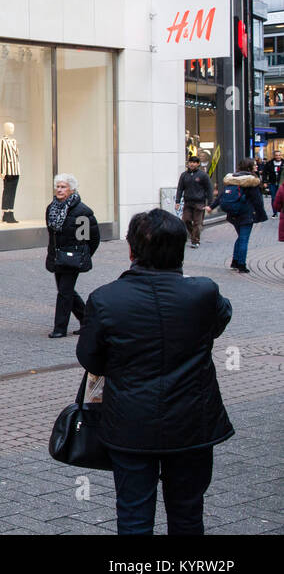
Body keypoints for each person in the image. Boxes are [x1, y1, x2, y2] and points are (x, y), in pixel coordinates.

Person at [77, 209, 233, 535]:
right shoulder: (204, 293)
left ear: (132, 251)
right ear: (180, 250)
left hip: (130, 422)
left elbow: (91, 359)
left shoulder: (105, 299)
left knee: (133, 516)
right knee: (188, 514)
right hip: (192, 422)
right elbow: (218, 322)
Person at [44, 173, 101, 338]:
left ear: (71, 190)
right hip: (57, 256)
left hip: (72, 258)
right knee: (66, 291)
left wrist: (84, 255)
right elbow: (52, 235)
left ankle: (60, 328)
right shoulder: (52, 208)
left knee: (64, 292)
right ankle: (87, 322)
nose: (60, 190)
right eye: (58, 186)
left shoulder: (81, 211)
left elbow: (90, 239)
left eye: (63, 187)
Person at [210, 158, 268, 273]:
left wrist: (212, 206)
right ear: (249, 167)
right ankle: (241, 265)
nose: (256, 167)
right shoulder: (251, 181)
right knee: (243, 239)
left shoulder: (232, 178)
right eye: (254, 165)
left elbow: (221, 195)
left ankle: (235, 261)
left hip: (233, 214)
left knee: (240, 237)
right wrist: (262, 215)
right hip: (246, 214)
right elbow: (257, 201)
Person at [174, 156, 213, 248]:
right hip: (188, 202)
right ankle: (193, 235)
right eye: (190, 162)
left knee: (197, 223)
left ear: (198, 164)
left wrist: (210, 204)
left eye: (194, 162)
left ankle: (195, 241)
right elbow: (180, 189)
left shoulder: (203, 175)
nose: (192, 164)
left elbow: (209, 189)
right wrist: (177, 201)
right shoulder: (184, 175)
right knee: (186, 220)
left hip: (200, 203)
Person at [262, 149, 283, 216]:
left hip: (281, 183)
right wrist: (265, 182)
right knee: (274, 198)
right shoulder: (269, 163)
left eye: (279, 155)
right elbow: (264, 173)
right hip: (272, 183)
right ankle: (275, 212)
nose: (278, 157)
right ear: (274, 156)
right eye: (276, 155)